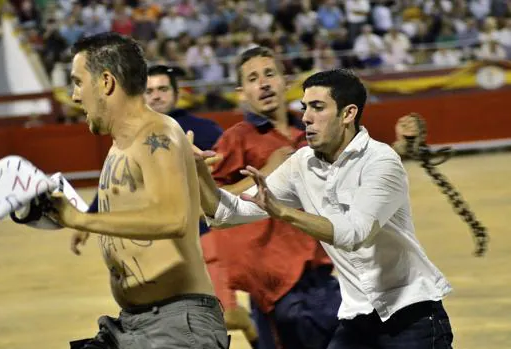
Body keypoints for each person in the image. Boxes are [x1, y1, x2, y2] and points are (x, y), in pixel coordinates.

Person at [193, 68, 454, 349]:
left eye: (318, 107)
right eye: (305, 107)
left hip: (411, 315)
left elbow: (353, 233)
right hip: (357, 317)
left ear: (348, 114)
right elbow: (225, 214)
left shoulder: (381, 161)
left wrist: (282, 212)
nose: (306, 117)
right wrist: (198, 174)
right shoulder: (301, 164)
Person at [46, 33, 229, 349]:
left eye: (78, 82)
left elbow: (173, 218)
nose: (75, 96)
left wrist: (78, 219)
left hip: (176, 327)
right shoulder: (121, 145)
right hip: (133, 322)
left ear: (106, 82)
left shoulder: (157, 134)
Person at [202, 46, 341, 349]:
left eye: (270, 74)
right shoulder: (237, 138)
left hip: (323, 273)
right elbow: (209, 203)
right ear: (242, 93)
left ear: (285, 81)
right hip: (275, 288)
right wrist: (267, 170)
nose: (263, 83)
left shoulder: (311, 131)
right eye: (253, 78)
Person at [144, 64, 223, 237]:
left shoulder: (206, 129)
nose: (156, 96)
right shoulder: (135, 135)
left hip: (203, 228)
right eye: (149, 91)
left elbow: (227, 170)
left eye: (162, 89)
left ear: (177, 94)